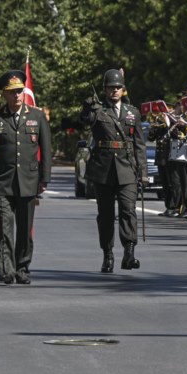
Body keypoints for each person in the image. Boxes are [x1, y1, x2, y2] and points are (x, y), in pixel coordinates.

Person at [0, 70, 52, 285]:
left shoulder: (37, 116)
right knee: (6, 229)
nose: (16, 95)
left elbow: (46, 148)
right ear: (4, 95)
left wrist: (44, 179)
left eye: (19, 91)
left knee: (24, 229)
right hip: (4, 182)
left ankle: (23, 268)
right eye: (12, 92)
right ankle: (7, 270)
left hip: (28, 181)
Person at [80, 68, 147, 272]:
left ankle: (129, 254)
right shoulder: (98, 111)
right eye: (111, 87)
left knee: (128, 210)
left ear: (123, 90)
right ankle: (107, 255)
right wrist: (87, 108)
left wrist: (143, 172)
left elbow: (139, 145)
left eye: (118, 87)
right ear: (105, 89)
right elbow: (86, 122)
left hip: (127, 169)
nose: (115, 91)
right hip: (104, 169)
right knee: (106, 215)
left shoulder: (132, 113)